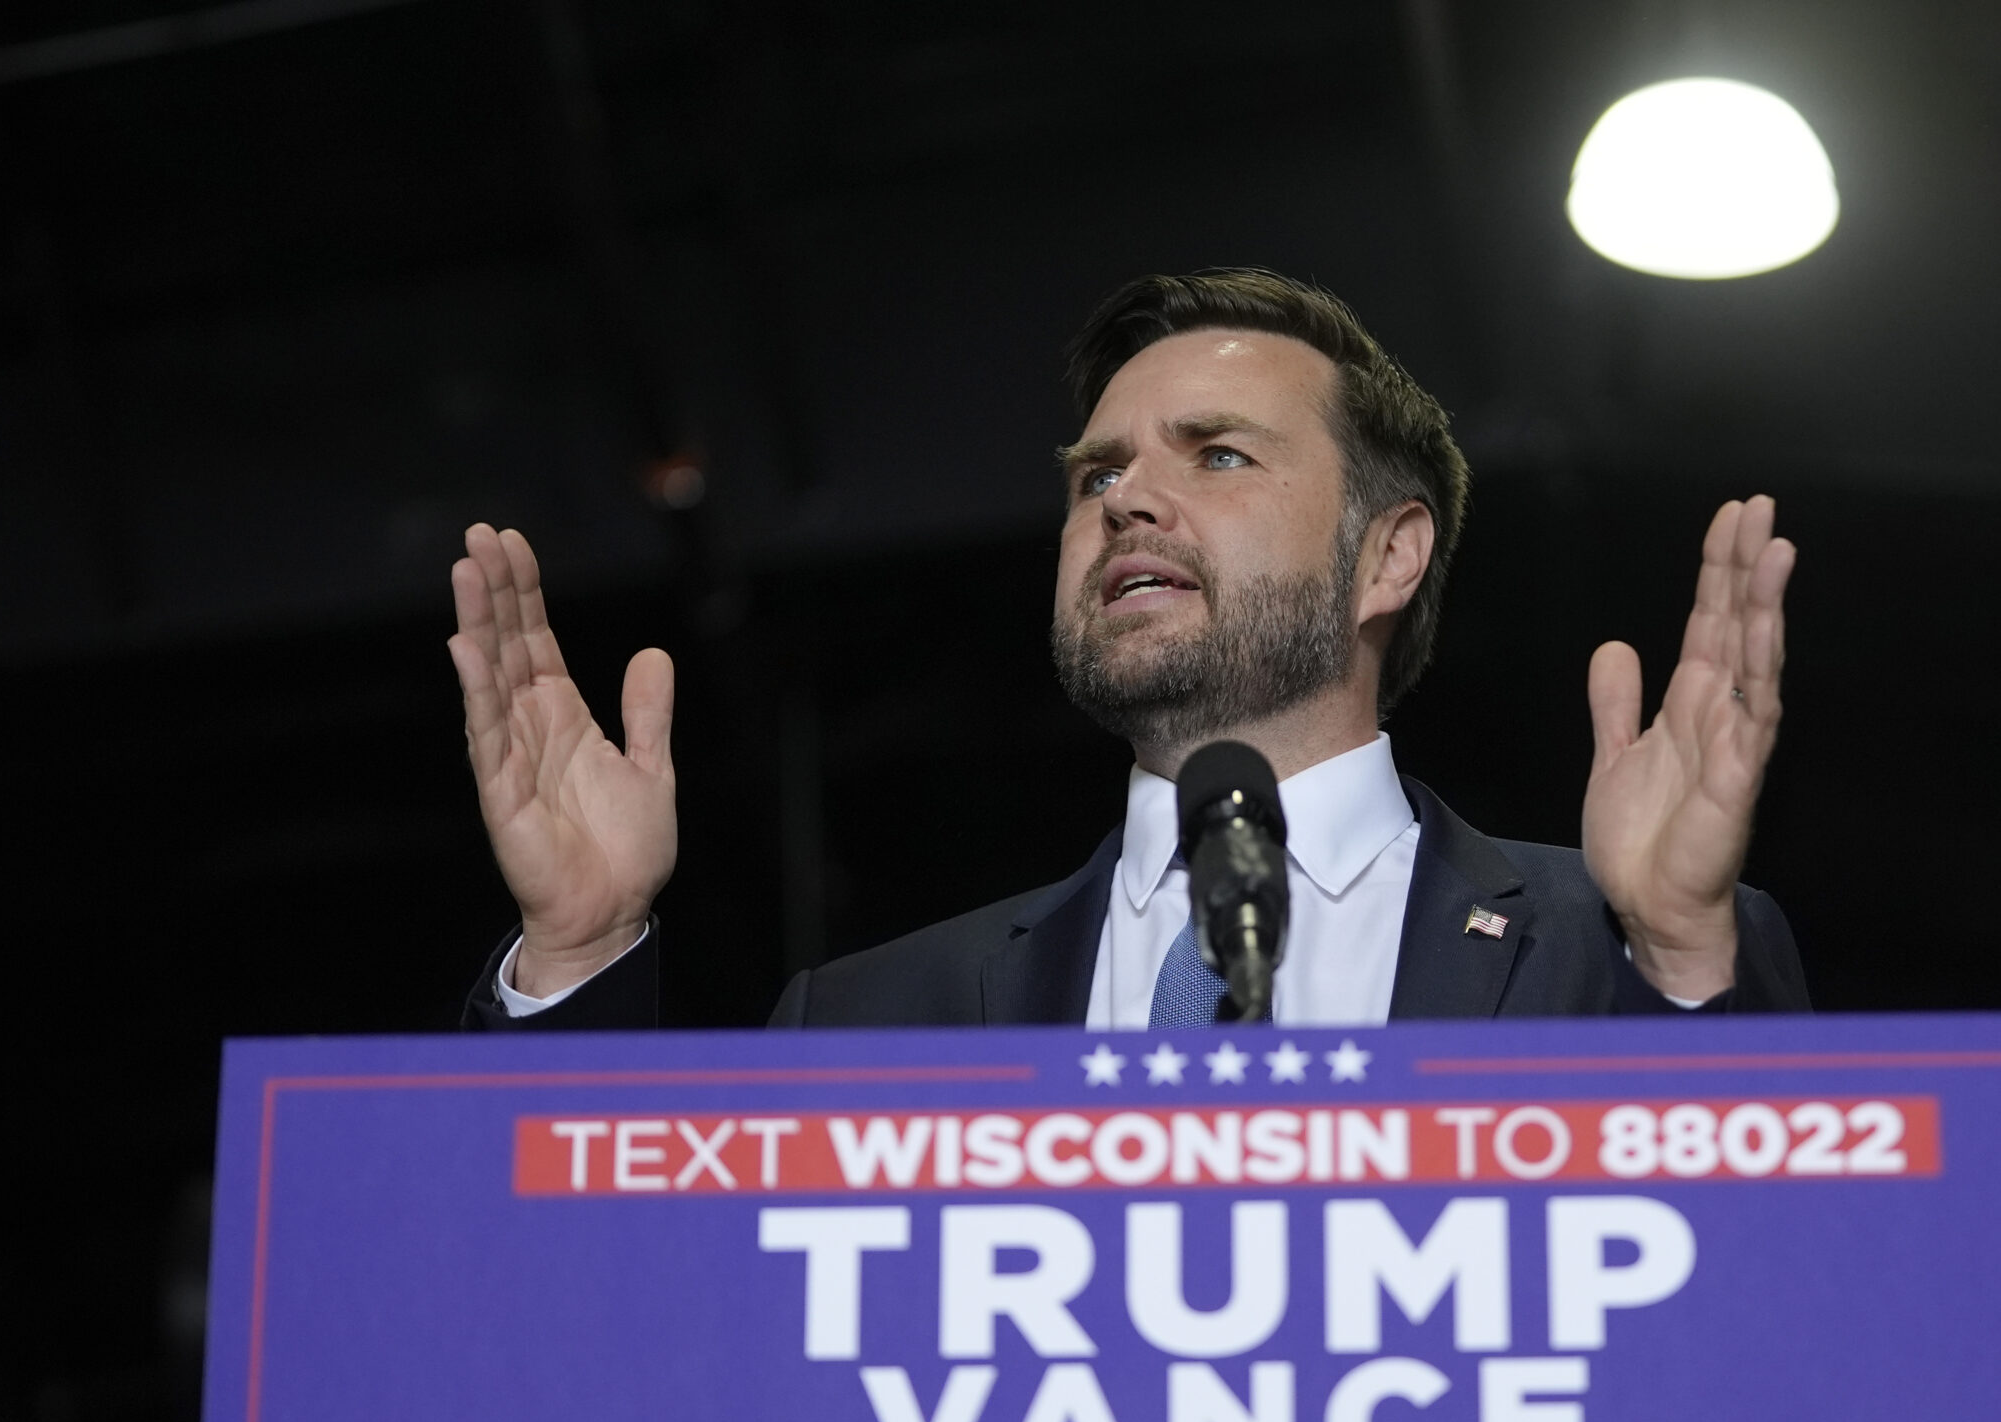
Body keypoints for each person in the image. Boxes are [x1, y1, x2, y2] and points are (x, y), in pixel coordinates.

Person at [446, 269, 1806, 1031]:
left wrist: (1681, 955)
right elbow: (590, 1351)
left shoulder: (1604, 952)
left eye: (1216, 455)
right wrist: (577, 954)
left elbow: (1779, 1326)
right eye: (1098, 475)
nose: (1128, 500)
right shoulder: (873, 1020)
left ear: (1388, 557)